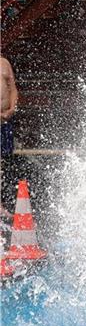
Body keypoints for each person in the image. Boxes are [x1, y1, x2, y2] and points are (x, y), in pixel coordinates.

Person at [1, 56, 18, 214]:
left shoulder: (4, 63)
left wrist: (12, 109)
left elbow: (12, 88)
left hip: (4, 120)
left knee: (4, 160)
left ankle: (2, 203)